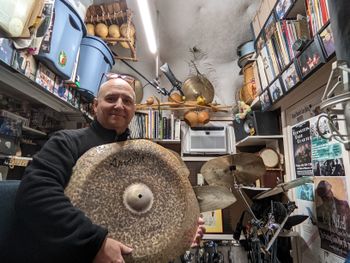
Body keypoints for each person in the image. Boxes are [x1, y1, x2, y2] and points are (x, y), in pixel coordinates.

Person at [1, 74, 205, 263]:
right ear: (95, 106)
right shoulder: (66, 142)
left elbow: (143, 209)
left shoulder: (137, 154)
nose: (119, 105)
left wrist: (181, 232)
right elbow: (35, 194)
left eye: (127, 101)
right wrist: (95, 242)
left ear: (134, 110)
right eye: (111, 99)